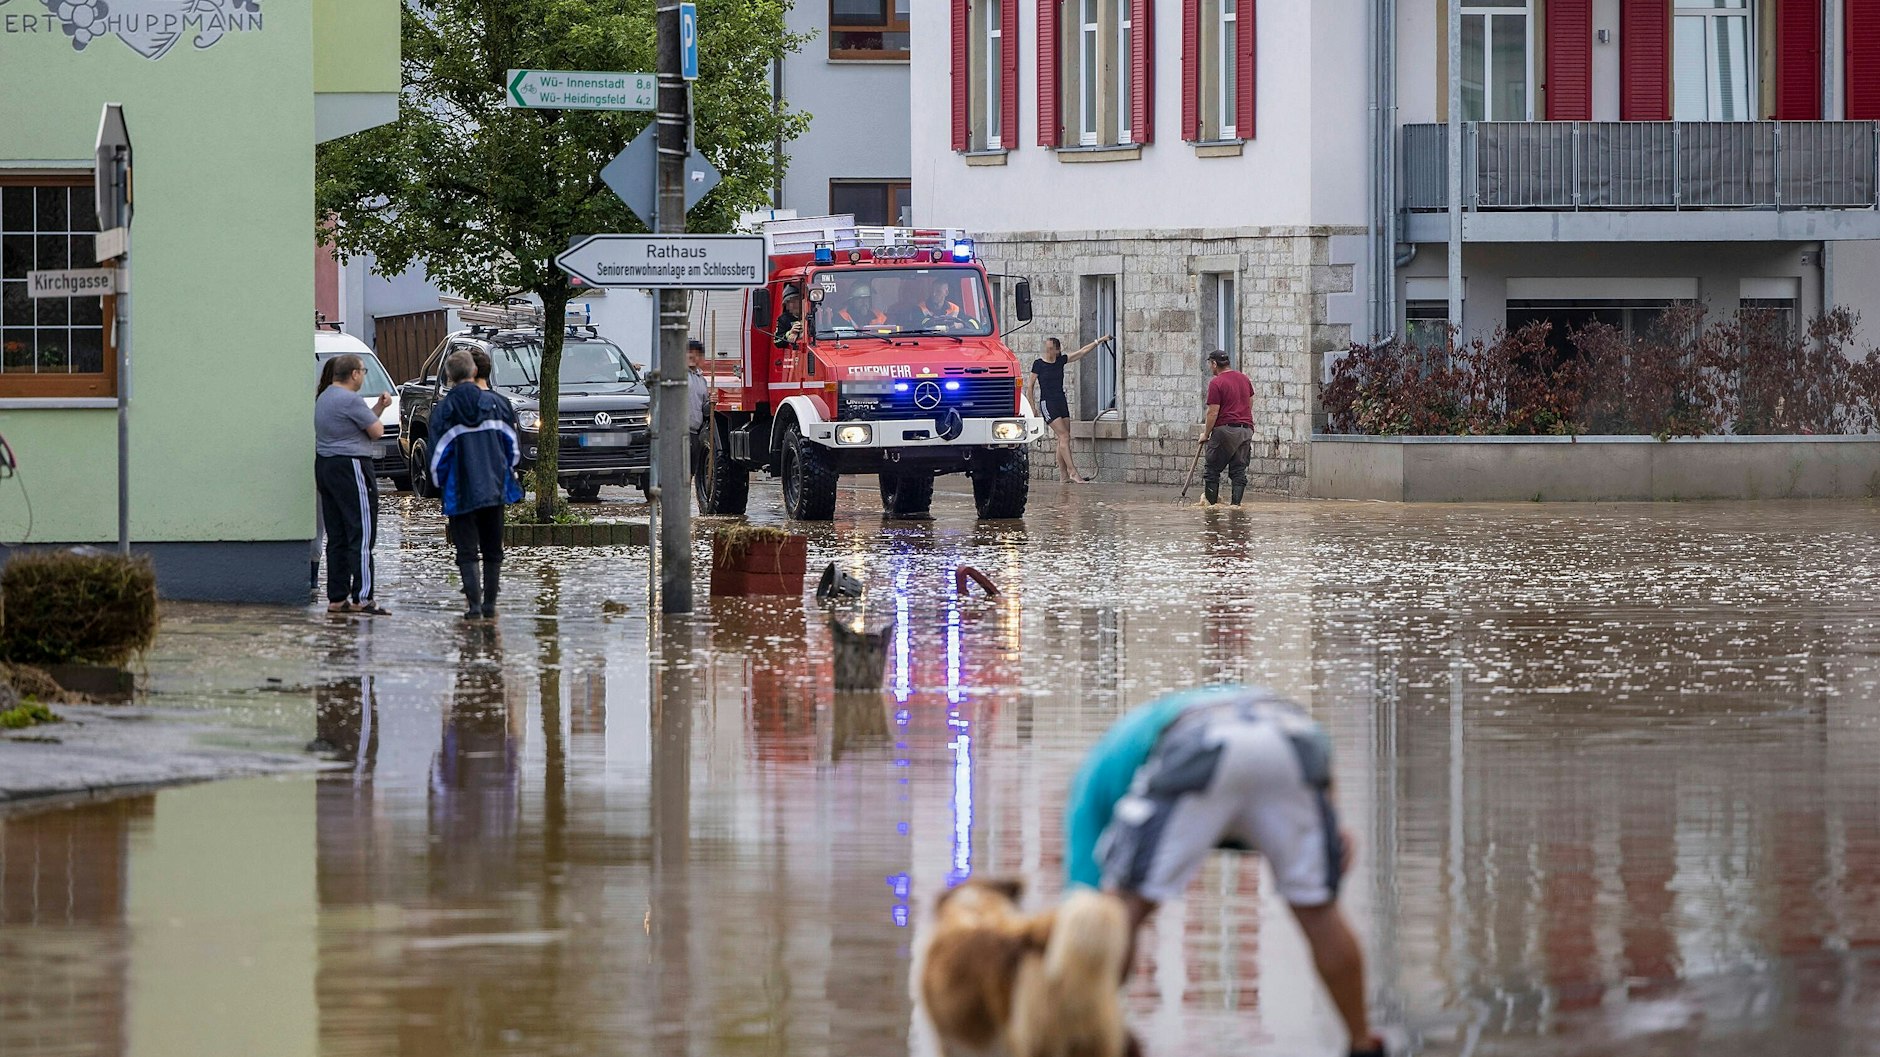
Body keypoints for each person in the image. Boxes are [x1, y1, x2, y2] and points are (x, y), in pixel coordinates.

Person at [1066, 685, 1385, 1057]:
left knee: (1121, 909)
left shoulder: (1090, 787)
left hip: (1199, 741)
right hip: (1293, 735)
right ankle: (1364, 1043)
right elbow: (1304, 754)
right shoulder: (1141, 736)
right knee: (1318, 910)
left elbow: (1086, 907)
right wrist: (1330, 821)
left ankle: (1090, 1036)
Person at [430, 349, 523, 620]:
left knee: (466, 550)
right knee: (494, 548)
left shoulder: (444, 410)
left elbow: (436, 458)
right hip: (494, 488)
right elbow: (513, 450)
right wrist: (505, 472)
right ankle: (490, 605)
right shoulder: (498, 404)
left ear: (449, 376)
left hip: (459, 492)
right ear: (474, 372)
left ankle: (473, 607)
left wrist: (441, 488)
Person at [315, 353, 392, 616]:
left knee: (336, 535)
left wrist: (378, 409)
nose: (363, 375)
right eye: (363, 371)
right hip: (352, 466)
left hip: (326, 466)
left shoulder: (324, 397)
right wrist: (379, 414)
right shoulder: (350, 399)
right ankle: (362, 597)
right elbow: (376, 431)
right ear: (355, 374)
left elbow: (357, 425)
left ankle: (336, 597)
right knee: (361, 533)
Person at [1028, 335, 1110, 484]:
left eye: (1051, 348)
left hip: (1061, 401)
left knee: (1063, 438)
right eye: (1047, 348)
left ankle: (1063, 476)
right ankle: (1073, 472)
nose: (1048, 350)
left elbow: (1082, 352)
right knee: (1064, 436)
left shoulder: (1061, 361)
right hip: (1048, 403)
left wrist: (1099, 341)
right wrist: (1032, 408)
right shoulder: (1038, 364)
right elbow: (1030, 387)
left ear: (1057, 350)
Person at [1199, 349, 1256, 506]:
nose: (1211, 368)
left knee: (1212, 471)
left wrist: (1206, 434)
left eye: (1211, 364)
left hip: (1225, 430)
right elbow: (1250, 401)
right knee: (1238, 471)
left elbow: (1213, 412)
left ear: (1215, 364)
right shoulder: (1244, 379)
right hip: (1246, 430)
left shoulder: (1216, 383)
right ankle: (1236, 507)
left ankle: (1211, 511)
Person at [687, 339, 711, 494]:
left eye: (697, 354)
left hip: (694, 432)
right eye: (689, 353)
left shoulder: (701, 380)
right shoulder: (674, 376)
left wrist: (712, 403)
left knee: (689, 473)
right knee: (676, 472)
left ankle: (683, 509)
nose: (693, 357)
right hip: (676, 432)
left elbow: (705, 409)